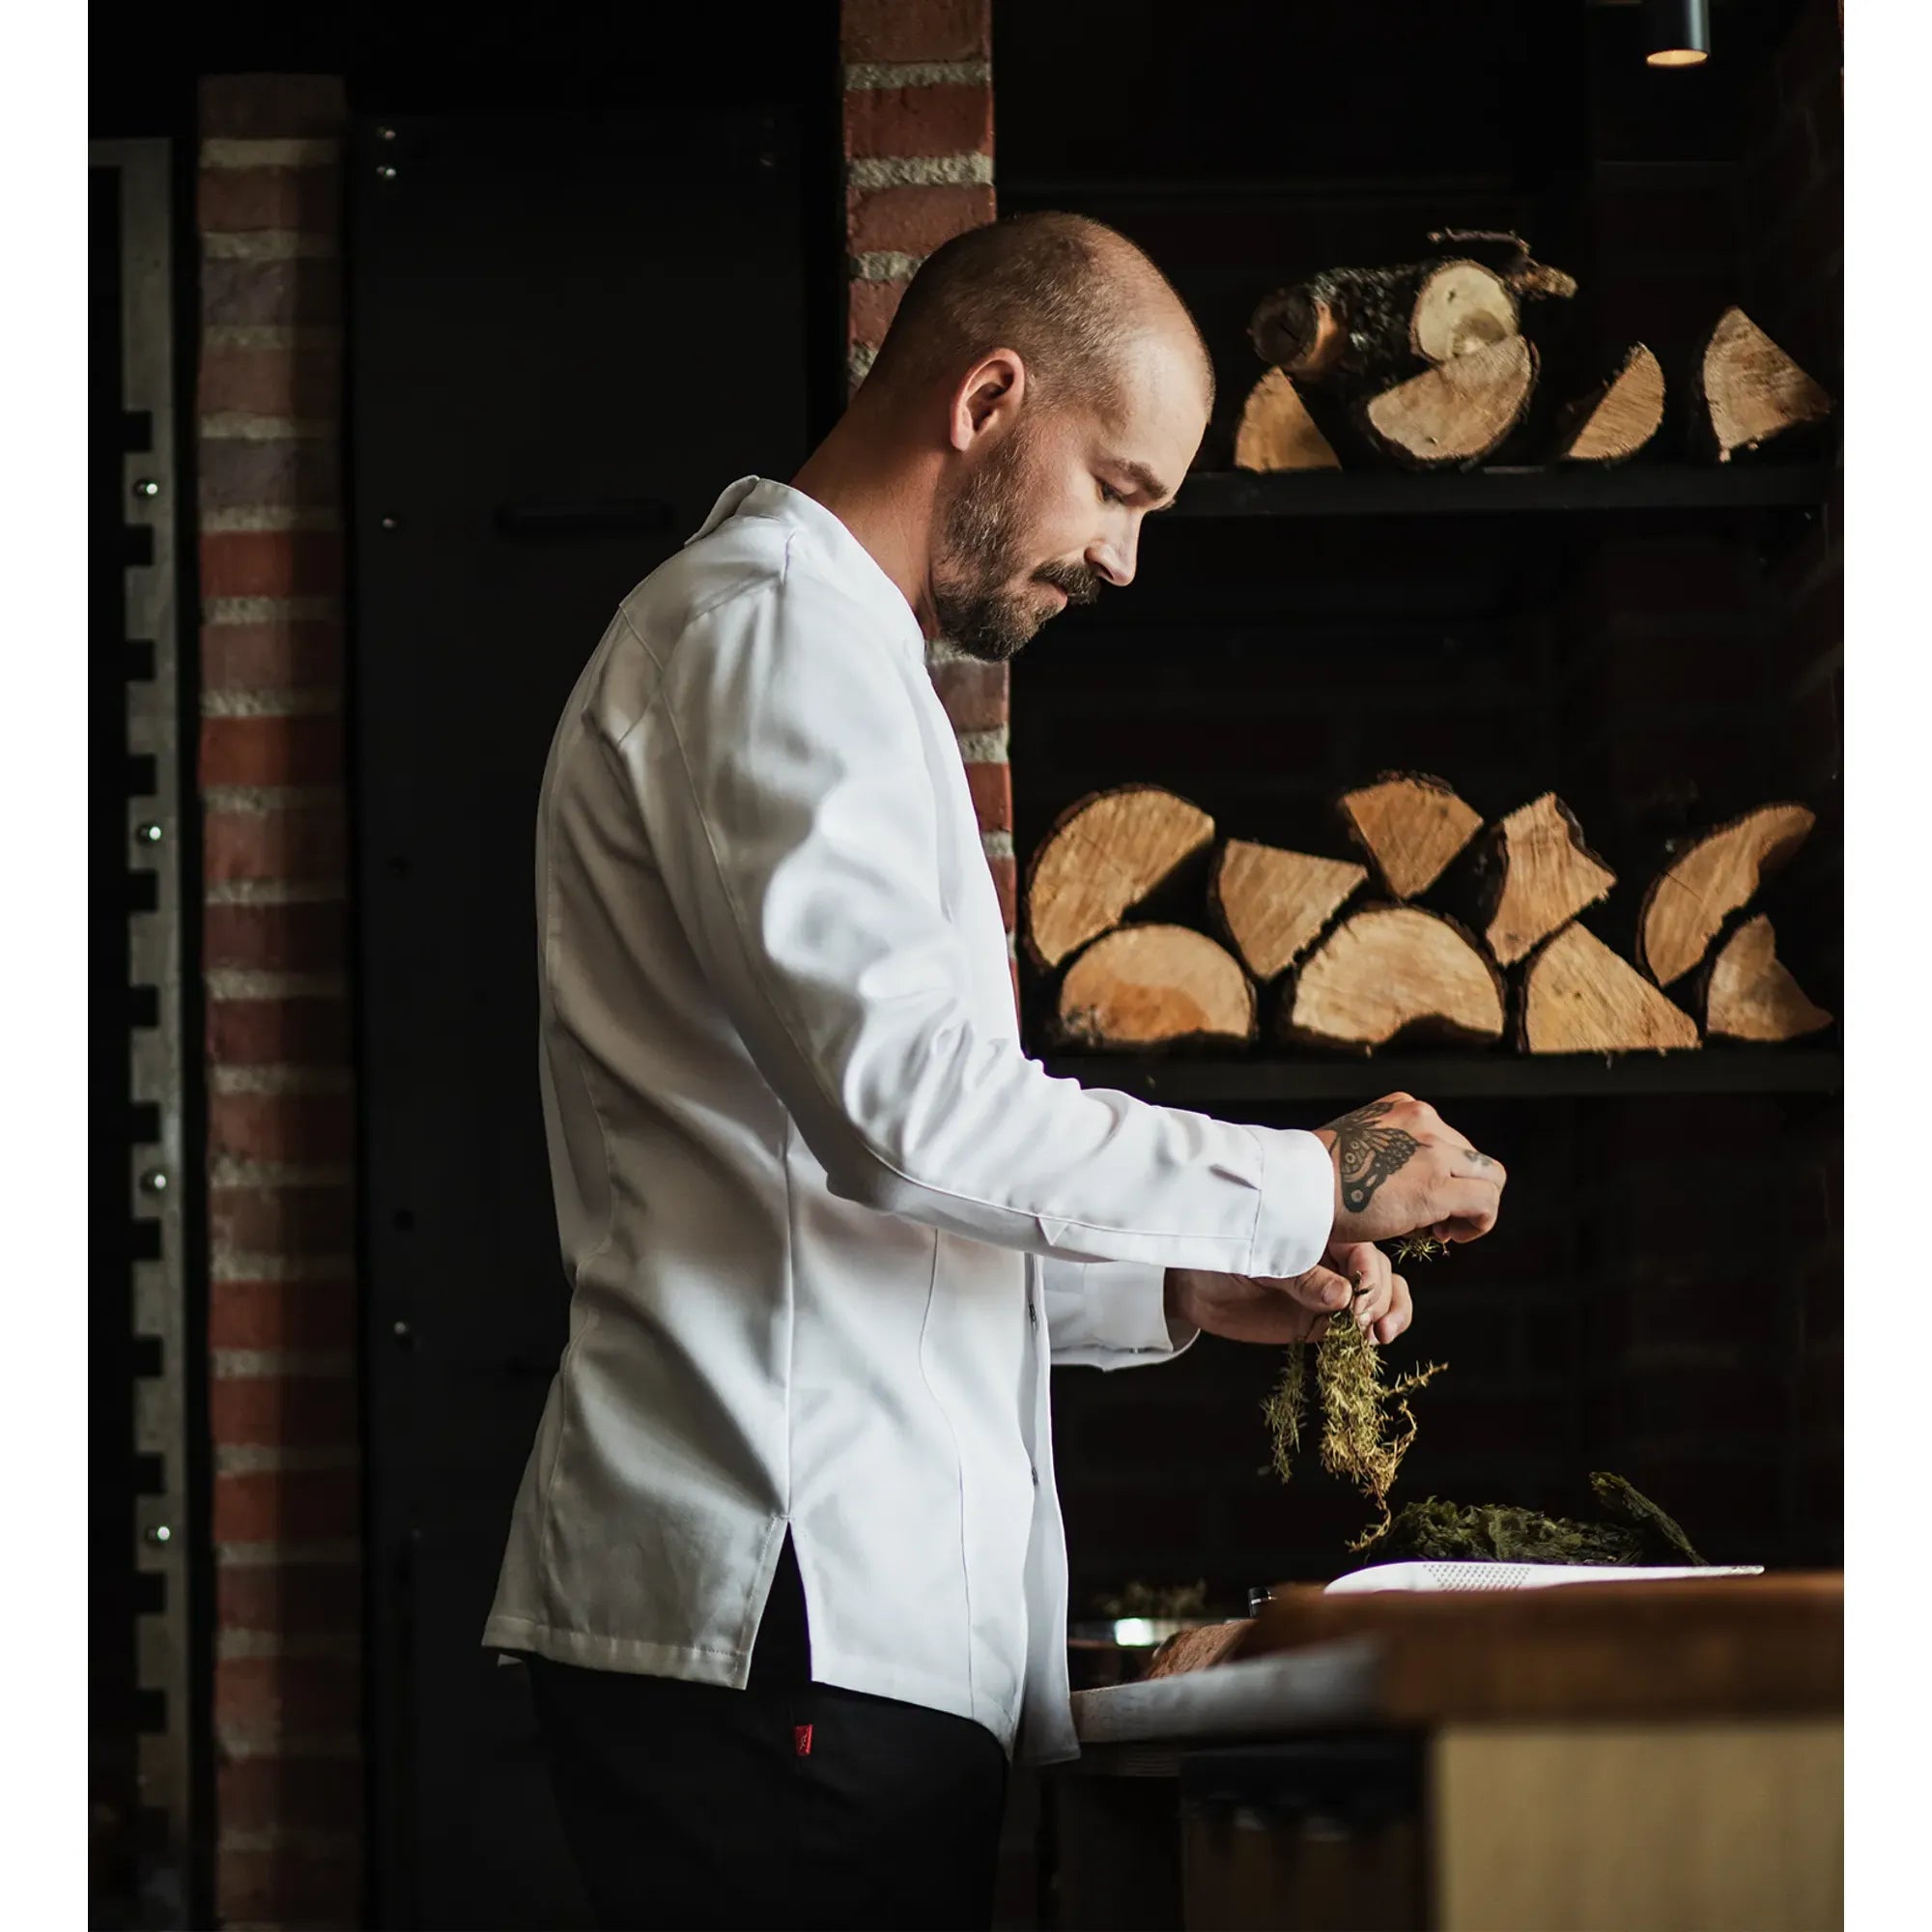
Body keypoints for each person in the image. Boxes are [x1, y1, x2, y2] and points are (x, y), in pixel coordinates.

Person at [481, 212, 1507, 1931]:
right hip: (783, 1612)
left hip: (829, 1629)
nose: (1125, 559)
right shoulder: (773, 635)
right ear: (987, 401)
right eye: (1117, 487)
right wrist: (1308, 1178)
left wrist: (1172, 1282)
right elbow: (912, 1116)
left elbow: (839, 1196)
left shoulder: (835, 654)